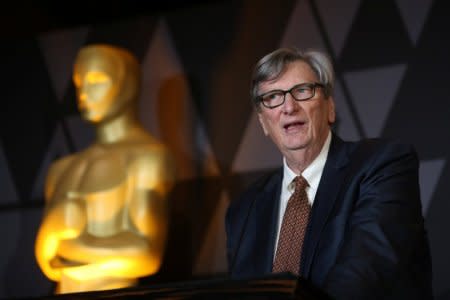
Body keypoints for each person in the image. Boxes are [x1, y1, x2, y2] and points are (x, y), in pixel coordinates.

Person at [225, 47, 433, 299]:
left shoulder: (384, 165)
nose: (289, 107)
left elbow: (364, 276)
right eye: (272, 97)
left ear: (330, 107)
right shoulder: (243, 210)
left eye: (302, 91)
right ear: (263, 122)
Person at [35, 44, 176, 294]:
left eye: (96, 81)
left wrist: (70, 245)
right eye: (79, 83)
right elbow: (47, 261)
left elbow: (146, 253)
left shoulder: (147, 158)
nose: (83, 94)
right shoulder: (62, 168)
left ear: (126, 85)